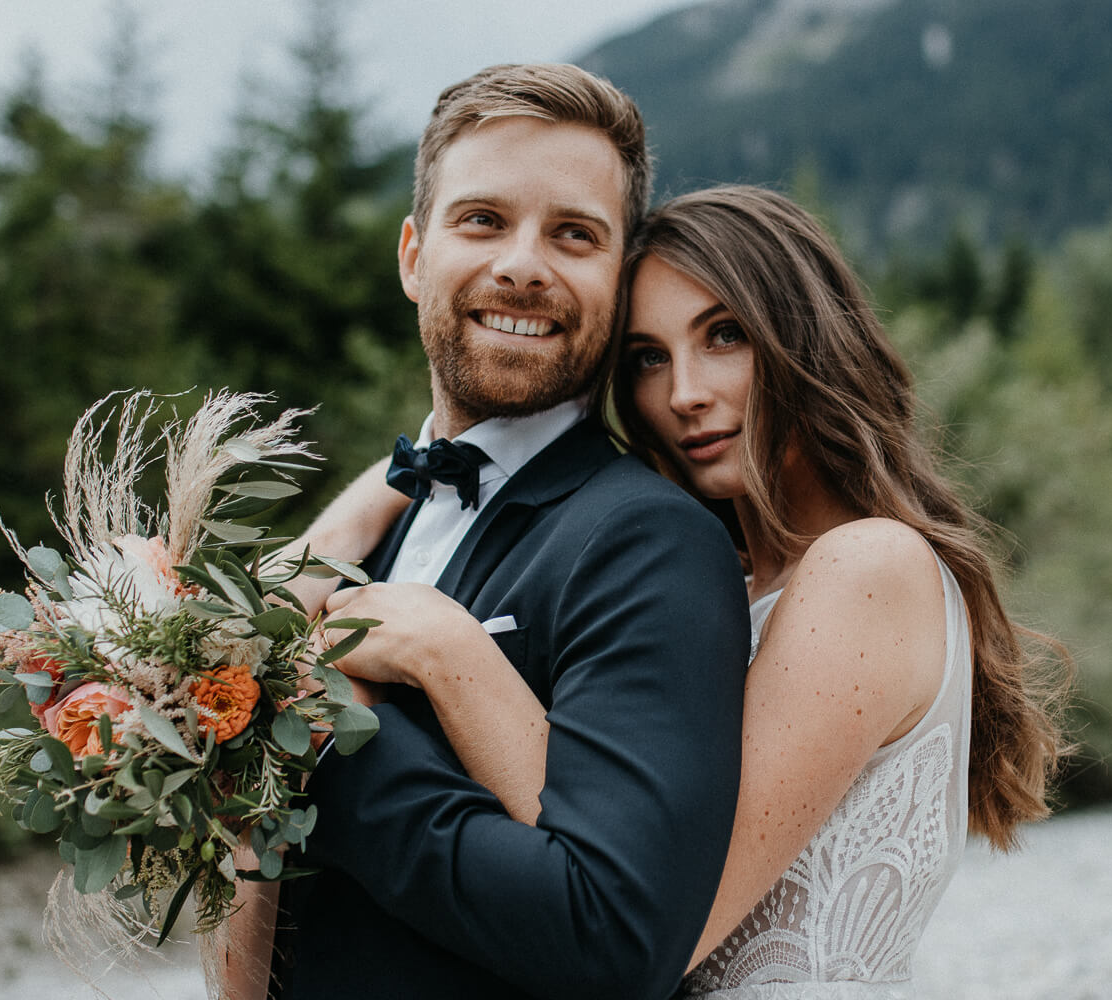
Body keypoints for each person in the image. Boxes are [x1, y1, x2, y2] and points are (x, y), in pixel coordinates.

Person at [329, 185, 1068, 996]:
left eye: (724, 336)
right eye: (649, 357)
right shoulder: (735, 575)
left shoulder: (867, 569)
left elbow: (655, 912)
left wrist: (449, 654)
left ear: (807, 339)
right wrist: (371, 507)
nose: (684, 393)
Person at [223, 66, 752, 1000]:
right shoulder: (356, 541)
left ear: (618, 280)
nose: (523, 264)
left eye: (575, 235)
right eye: (482, 221)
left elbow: (615, 938)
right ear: (413, 257)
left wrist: (326, 731)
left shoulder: (649, 544)